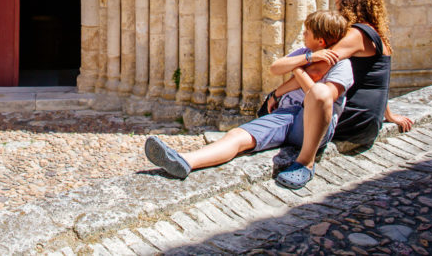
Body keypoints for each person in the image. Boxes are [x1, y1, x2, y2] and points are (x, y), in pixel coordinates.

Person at [144, 10, 354, 190]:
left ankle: (306, 163)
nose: (303, 34)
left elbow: (321, 100)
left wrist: (298, 70)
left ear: (321, 40)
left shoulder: (342, 66)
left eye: (307, 31)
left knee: (319, 92)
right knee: (237, 135)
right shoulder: (305, 53)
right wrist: (306, 60)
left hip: (313, 126)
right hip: (286, 115)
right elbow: (276, 67)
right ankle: (185, 161)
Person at [275, 0, 413, 152]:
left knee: (281, 117)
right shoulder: (374, 32)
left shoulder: (355, 35)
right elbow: (375, 82)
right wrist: (388, 114)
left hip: (355, 122)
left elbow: (316, 72)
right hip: (369, 121)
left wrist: (276, 94)